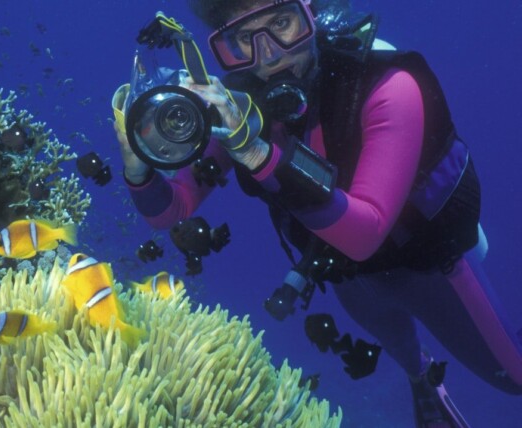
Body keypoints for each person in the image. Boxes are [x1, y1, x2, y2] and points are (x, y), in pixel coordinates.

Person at [113, 0, 522, 426]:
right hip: (347, 279)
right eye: (244, 41)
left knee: (514, 379)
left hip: (429, 267)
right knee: (403, 350)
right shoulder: (242, 108)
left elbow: (366, 234)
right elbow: (172, 211)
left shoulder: (388, 85)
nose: (268, 55)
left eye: (282, 24)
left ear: (311, 15)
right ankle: (424, 380)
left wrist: (256, 152)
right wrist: (137, 165)